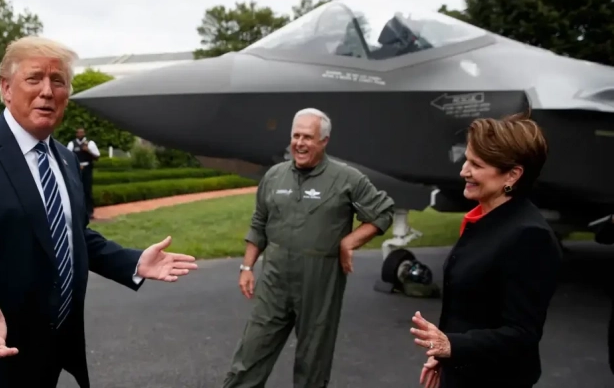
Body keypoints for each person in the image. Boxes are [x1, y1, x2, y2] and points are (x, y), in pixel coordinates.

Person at [0, 36, 199, 388]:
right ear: (6, 88)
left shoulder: (65, 159)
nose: (47, 91)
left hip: (44, 346)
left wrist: (132, 261)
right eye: (34, 78)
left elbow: (69, 234)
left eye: (58, 81)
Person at [222, 108, 395, 388]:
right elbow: (259, 223)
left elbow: (382, 212)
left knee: (312, 364)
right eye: (296, 136)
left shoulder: (346, 178)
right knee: (249, 356)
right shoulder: (275, 176)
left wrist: (349, 241)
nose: (299, 143)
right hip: (275, 281)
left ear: (324, 141)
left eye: (308, 137)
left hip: (320, 284)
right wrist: (247, 266)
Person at [409, 111, 562, 388]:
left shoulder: (529, 236)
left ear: (512, 175)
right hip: (463, 373)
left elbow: (521, 334)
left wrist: (451, 345)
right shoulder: (486, 220)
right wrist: (447, 356)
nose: (463, 171)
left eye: (476, 164)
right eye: (466, 159)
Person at [67, 127, 99, 218]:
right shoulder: (72, 144)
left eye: (82, 132)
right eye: (78, 132)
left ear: (84, 133)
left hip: (87, 168)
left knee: (87, 190)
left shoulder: (90, 143)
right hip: (76, 168)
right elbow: (67, 157)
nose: (80, 134)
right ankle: (77, 212)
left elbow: (97, 156)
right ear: (76, 134)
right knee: (76, 190)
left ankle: (89, 212)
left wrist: (88, 150)